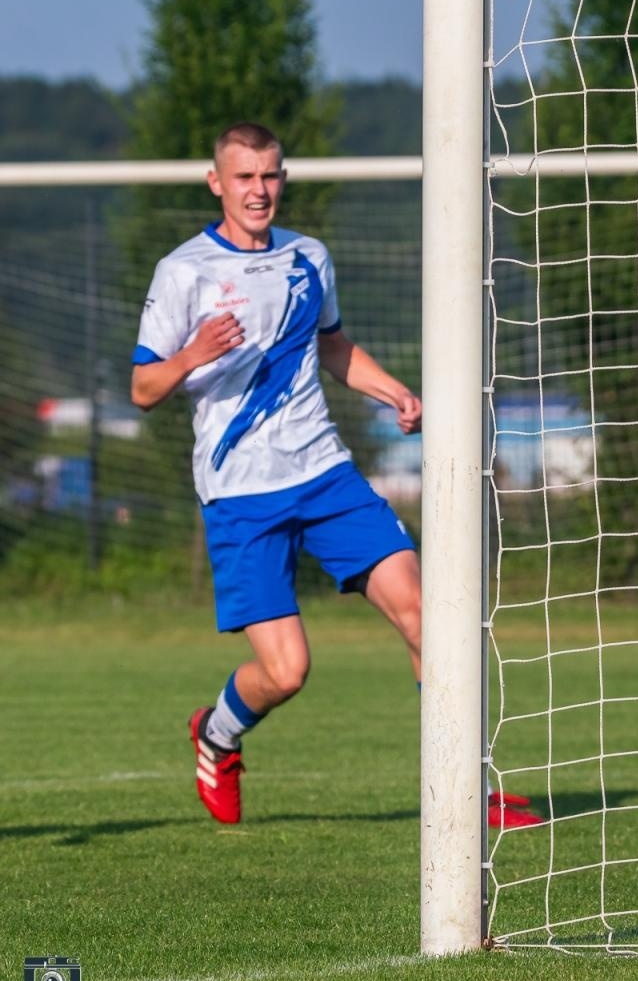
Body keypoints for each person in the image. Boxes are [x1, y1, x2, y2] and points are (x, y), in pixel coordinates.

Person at [130, 122, 444, 826]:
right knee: (287, 671)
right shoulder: (185, 272)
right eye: (244, 177)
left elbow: (333, 347)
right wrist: (194, 352)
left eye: (270, 175)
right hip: (241, 491)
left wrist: (392, 390)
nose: (259, 190)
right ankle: (218, 730)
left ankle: (457, 787)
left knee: (428, 617)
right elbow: (144, 387)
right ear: (217, 183)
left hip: (324, 470)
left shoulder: (310, 257)